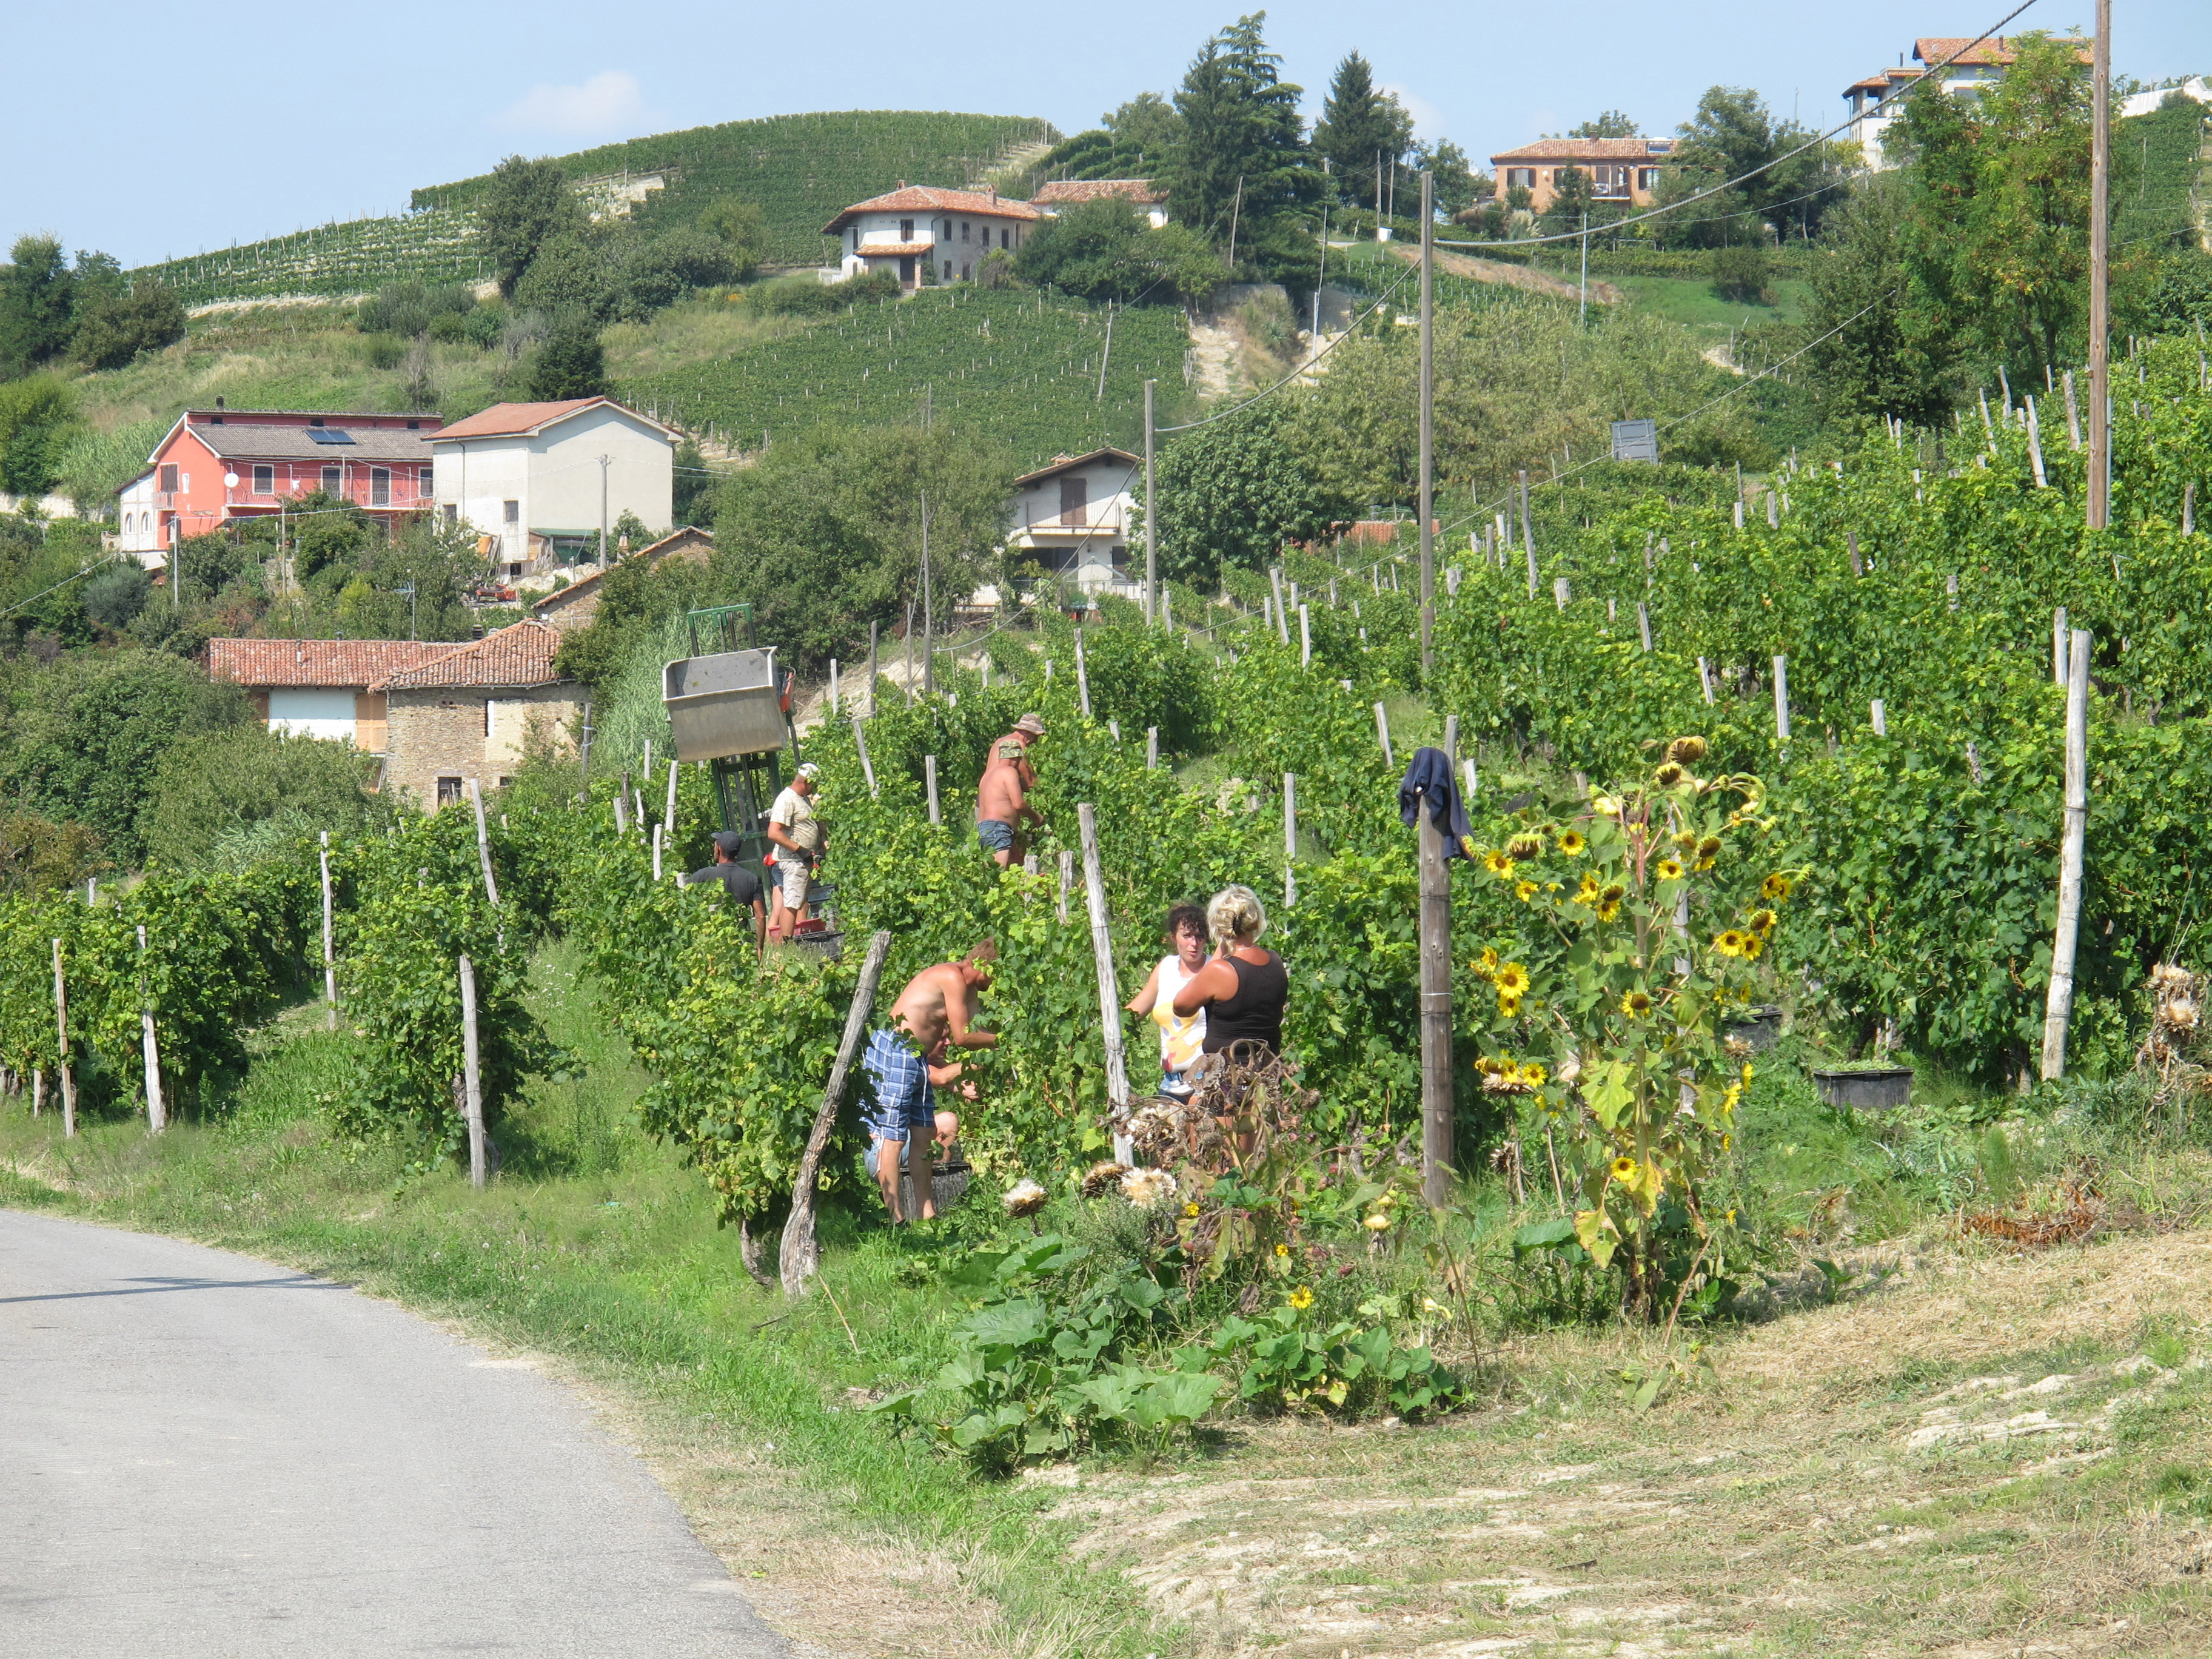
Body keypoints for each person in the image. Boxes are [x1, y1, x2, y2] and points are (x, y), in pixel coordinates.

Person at [862, 942, 997, 1223]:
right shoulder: (952, 977)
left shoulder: (970, 989)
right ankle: (895, 1217)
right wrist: (1004, 1042)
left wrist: (1005, 1051)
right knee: (894, 1136)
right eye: (996, 974)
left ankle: (928, 1215)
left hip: (917, 1057)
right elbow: (962, 1037)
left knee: (923, 1136)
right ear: (984, 965)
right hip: (896, 1049)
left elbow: (980, 1033)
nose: (996, 982)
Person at [1172, 885, 1288, 1066]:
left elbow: (1181, 1007)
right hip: (1269, 1074)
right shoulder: (1275, 962)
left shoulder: (1221, 971)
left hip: (1230, 1080)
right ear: (1256, 922)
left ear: (1219, 925)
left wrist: (1218, 954)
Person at [1125, 903, 1209, 1099]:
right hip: (1171, 1084)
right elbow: (1134, 1012)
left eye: (1200, 936)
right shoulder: (1166, 968)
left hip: (1205, 1083)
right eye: (1187, 936)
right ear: (1174, 938)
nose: (1194, 944)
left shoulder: (1215, 969)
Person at [764, 763, 824, 942]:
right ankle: (787, 943)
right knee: (791, 904)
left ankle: (790, 941)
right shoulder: (787, 799)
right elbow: (773, 832)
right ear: (806, 782)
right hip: (793, 860)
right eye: (812, 784)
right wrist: (800, 849)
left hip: (803, 860)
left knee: (798, 902)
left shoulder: (803, 798)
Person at [975, 713, 1045, 866]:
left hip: (987, 822)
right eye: (1035, 736)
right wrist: (1037, 817)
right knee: (999, 875)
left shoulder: (999, 746)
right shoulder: (1014, 748)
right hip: (998, 826)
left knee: (1007, 871)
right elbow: (1030, 783)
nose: (1036, 741)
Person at [682, 830, 766, 949]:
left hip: (712, 941)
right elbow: (761, 916)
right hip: (741, 942)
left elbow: (682, 899)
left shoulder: (704, 876)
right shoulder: (750, 878)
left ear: (719, 849)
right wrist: (759, 948)